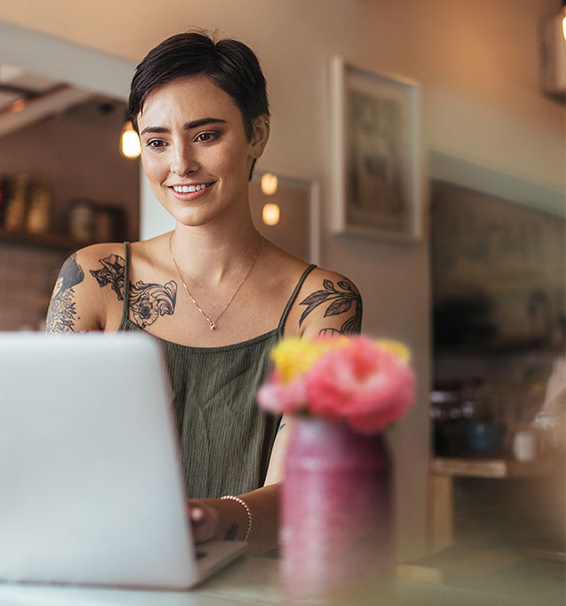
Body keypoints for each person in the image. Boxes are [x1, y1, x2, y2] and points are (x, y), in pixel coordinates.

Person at [46, 32, 361, 555]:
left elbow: (307, 491)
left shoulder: (323, 302)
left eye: (207, 135)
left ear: (257, 135)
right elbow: (49, 448)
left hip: (250, 587)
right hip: (112, 573)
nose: (181, 164)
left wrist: (210, 519)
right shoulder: (94, 279)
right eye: (157, 141)